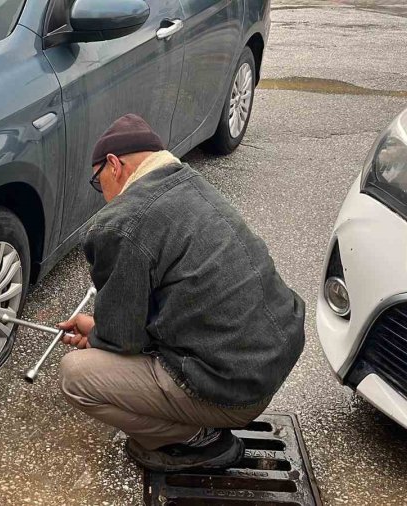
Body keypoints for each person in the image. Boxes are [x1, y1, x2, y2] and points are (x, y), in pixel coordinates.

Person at [57, 114, 306, 472]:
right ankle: (203, 419)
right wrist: (99, 329)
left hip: (233, 386)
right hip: (270, 359)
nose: (103, 195)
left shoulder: (122, 222)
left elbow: (122, 339)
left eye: (99, 183)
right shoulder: (189, 183)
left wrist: (98, 336)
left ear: (114, 165)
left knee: (76, 375)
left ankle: (197, 440)